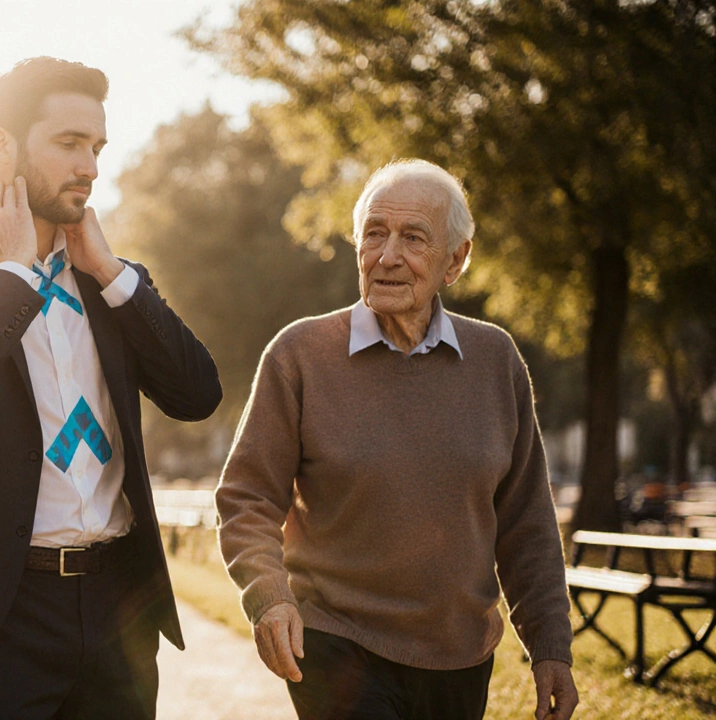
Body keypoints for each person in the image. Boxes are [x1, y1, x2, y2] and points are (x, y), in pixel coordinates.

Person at [0, 57, 223, 719]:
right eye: (69, 144)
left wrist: (114, 274)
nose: (90, 166)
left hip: (118, 606)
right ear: (1, 146)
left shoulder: (113, 280)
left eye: (96, 147)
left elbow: (197, 393)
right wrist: (11, 271)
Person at [215, 159, 578, 720]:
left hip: (459, 654)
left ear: (455, 261)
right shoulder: (299, 355)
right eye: (374, 234)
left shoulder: (495, 360)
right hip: (336, 640)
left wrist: (551, 645)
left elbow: (526, 519)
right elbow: (247, 497)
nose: (387, 256)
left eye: (413, 238)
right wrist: (270, 596)